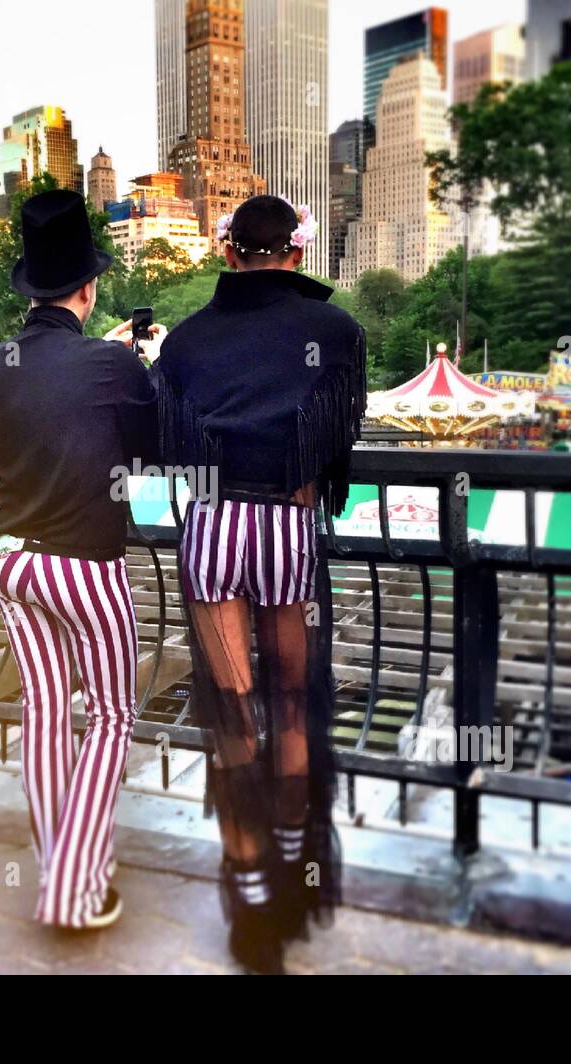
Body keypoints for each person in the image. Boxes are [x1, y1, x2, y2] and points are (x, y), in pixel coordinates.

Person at [152, 195, 367, 973]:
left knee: (232, 714)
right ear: (297, 253)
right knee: (294, 704)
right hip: (287, 526)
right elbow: (337, 433)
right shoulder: (335, 330)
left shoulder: (184, 340)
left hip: (212, 528)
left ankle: (248, 898)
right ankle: (291, 870)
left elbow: (166, 441)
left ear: (228, 252)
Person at [0, 189, 164, 930]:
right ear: (89, 287)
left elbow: (46, 402)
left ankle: (64, 867)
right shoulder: (110, 367)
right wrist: (132, 366)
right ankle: (75, 892)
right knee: (112, 714)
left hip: (11, 564)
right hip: (85, 566)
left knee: (46, 714)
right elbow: (151, 449)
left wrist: (106, 358)